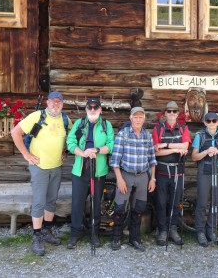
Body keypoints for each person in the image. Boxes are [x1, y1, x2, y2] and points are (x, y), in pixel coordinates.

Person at [11, 91, 72, 256]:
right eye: (53, 101)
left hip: (56, 166)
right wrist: (26, 154)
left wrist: (66, 151)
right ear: (48, 102)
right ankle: (37, 236)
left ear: (62, 104)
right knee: (39, 202)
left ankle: (47, 230)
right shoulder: (36, 116)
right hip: (39, 167)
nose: (56, 104)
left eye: (59, 102)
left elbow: (71, 138)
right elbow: (15, 133)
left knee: (51, 201)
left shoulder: (66, 119)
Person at [65, 98, 115, 249]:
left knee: (96, 203)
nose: (92, 110)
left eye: (96, 107)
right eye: (90, 107)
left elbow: (112, 145)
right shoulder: (79, 124)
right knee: (77, 204)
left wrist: (96, 150)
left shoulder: (106, 125)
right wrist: (83, 153)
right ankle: (75, 234)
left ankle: (94, 233)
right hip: (80, 171)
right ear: (86, 109)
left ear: (100, 109)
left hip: (98, 172)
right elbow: (70, 142)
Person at [110, 107, 157, 252]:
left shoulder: (147, 136)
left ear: (144, 119)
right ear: (130, 118)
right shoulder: (123, 135)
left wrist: (152, 179)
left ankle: (134, 238)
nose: (138, 119)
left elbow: (152, 159)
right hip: (126, 175)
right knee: (120, 208)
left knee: (139, 209)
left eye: (140, 117)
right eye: (135, 117)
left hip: (143, 176)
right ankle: (117, 237)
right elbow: (115, 161)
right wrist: (119, 179)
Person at [191, 112, 218, 247]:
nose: (211, 123)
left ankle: (212, 231)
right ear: (205, 123)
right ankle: (200, 232)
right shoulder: (199, 136)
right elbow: (194, 157)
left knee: (216, 204)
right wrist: (206, 151)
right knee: (202, 203)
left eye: (214, 121)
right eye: (209, 121)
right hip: (205, 172)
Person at [152, 101, 190, 246]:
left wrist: (166, 145)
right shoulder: (158, 129)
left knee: (175, 202)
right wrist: (175, 149)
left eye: (174, 111)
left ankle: (173, 229)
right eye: (169, 111)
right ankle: (162, 230)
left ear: (178, 114)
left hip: (177, 171)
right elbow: (156, 151)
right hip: (162, 171)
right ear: (165, 113)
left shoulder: (183, 129)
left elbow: (185, 145)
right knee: (161, 203)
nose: (172, 114)